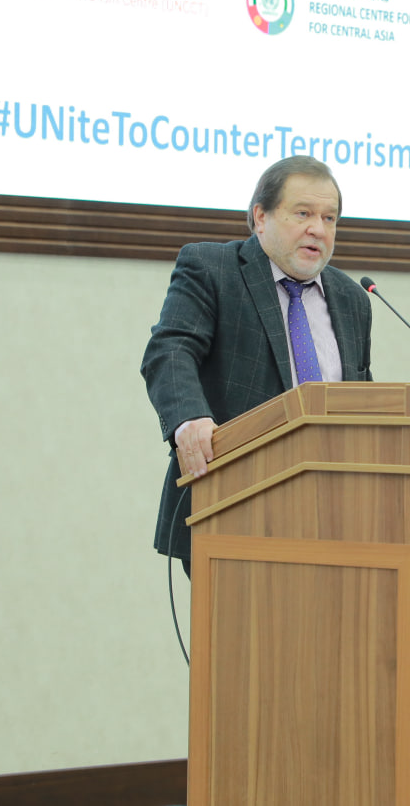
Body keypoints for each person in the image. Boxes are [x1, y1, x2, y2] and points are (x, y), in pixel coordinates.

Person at [141, 156, 373, 573]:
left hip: (335, 515)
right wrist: (189, 418)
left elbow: (362, 399)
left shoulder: (352, 298)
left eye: (329, 218)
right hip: (233, 506)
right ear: (260, 217)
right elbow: (170, 349)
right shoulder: (213, 269)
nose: (318, 229)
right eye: (303, 213)